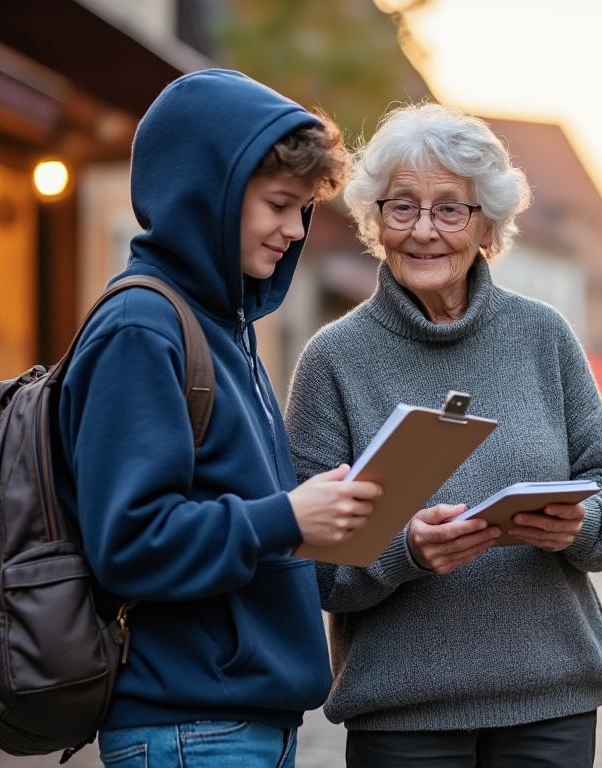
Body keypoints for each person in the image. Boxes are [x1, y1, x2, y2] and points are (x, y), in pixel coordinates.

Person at [283, 102, 602, 767]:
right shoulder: (332, 360)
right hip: (403, 717)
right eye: (402, 207)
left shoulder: (545, 337)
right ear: (375, 219)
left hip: (551, 703)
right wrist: (406, 551)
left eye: (449, 209)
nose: (424, 230)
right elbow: (308, 566)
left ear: (487, 225)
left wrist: (582, 524)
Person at [56, 70, 381, 767]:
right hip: (189, 727)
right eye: (279, 205)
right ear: (211, 192)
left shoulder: (223, 327)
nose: (295, 230)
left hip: (234, 723)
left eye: (304, 210)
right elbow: (131, 541)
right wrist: (288, 517)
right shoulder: (142, 328)